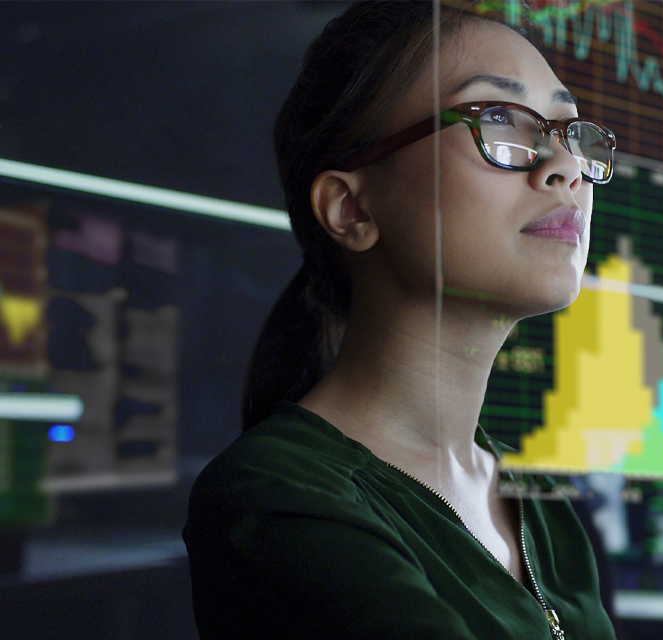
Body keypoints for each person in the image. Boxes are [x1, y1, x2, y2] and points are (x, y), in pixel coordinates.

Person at [182, 2, 618, 638]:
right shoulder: (279, 496)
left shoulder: (540, 503)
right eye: (499, 120)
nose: (566, 168)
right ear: (350, 208)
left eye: (569, 130)